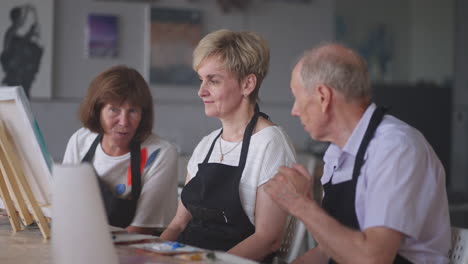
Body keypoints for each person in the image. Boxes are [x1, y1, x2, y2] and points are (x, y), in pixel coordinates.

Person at [264, 43, 451, 263]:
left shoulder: (395, 149)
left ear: (323, 97)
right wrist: (308, 204)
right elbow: (330, 249)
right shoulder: (337, 153)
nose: (294, 111)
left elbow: (373, 259)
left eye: (297, 97)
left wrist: (300, 205)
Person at [159, 29, 296, 262]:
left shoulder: (270, 144)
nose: (201, 91)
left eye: (213, 81)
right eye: (201, 80)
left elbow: (268, 238)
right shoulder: (207, 144)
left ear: (247, 84)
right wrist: (151, 255)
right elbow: (179, 223)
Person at [63, 65, 178, 235]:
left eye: (132, 111)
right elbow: (66, 207)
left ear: (143, 114)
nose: (124, 122)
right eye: (114, 109)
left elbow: (142, 229)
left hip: (134, 250)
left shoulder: (159, 153)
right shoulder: (81, 141)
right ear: (97, 111)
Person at [0, 4, 43, 98]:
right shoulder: (11, 32)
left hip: (14, 67)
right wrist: (31, 32)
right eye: (20, 16)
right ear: (17, 18)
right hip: (12, 67)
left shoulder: (13, 31)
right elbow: (21, 43)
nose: (22, 20)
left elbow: (23, 40)